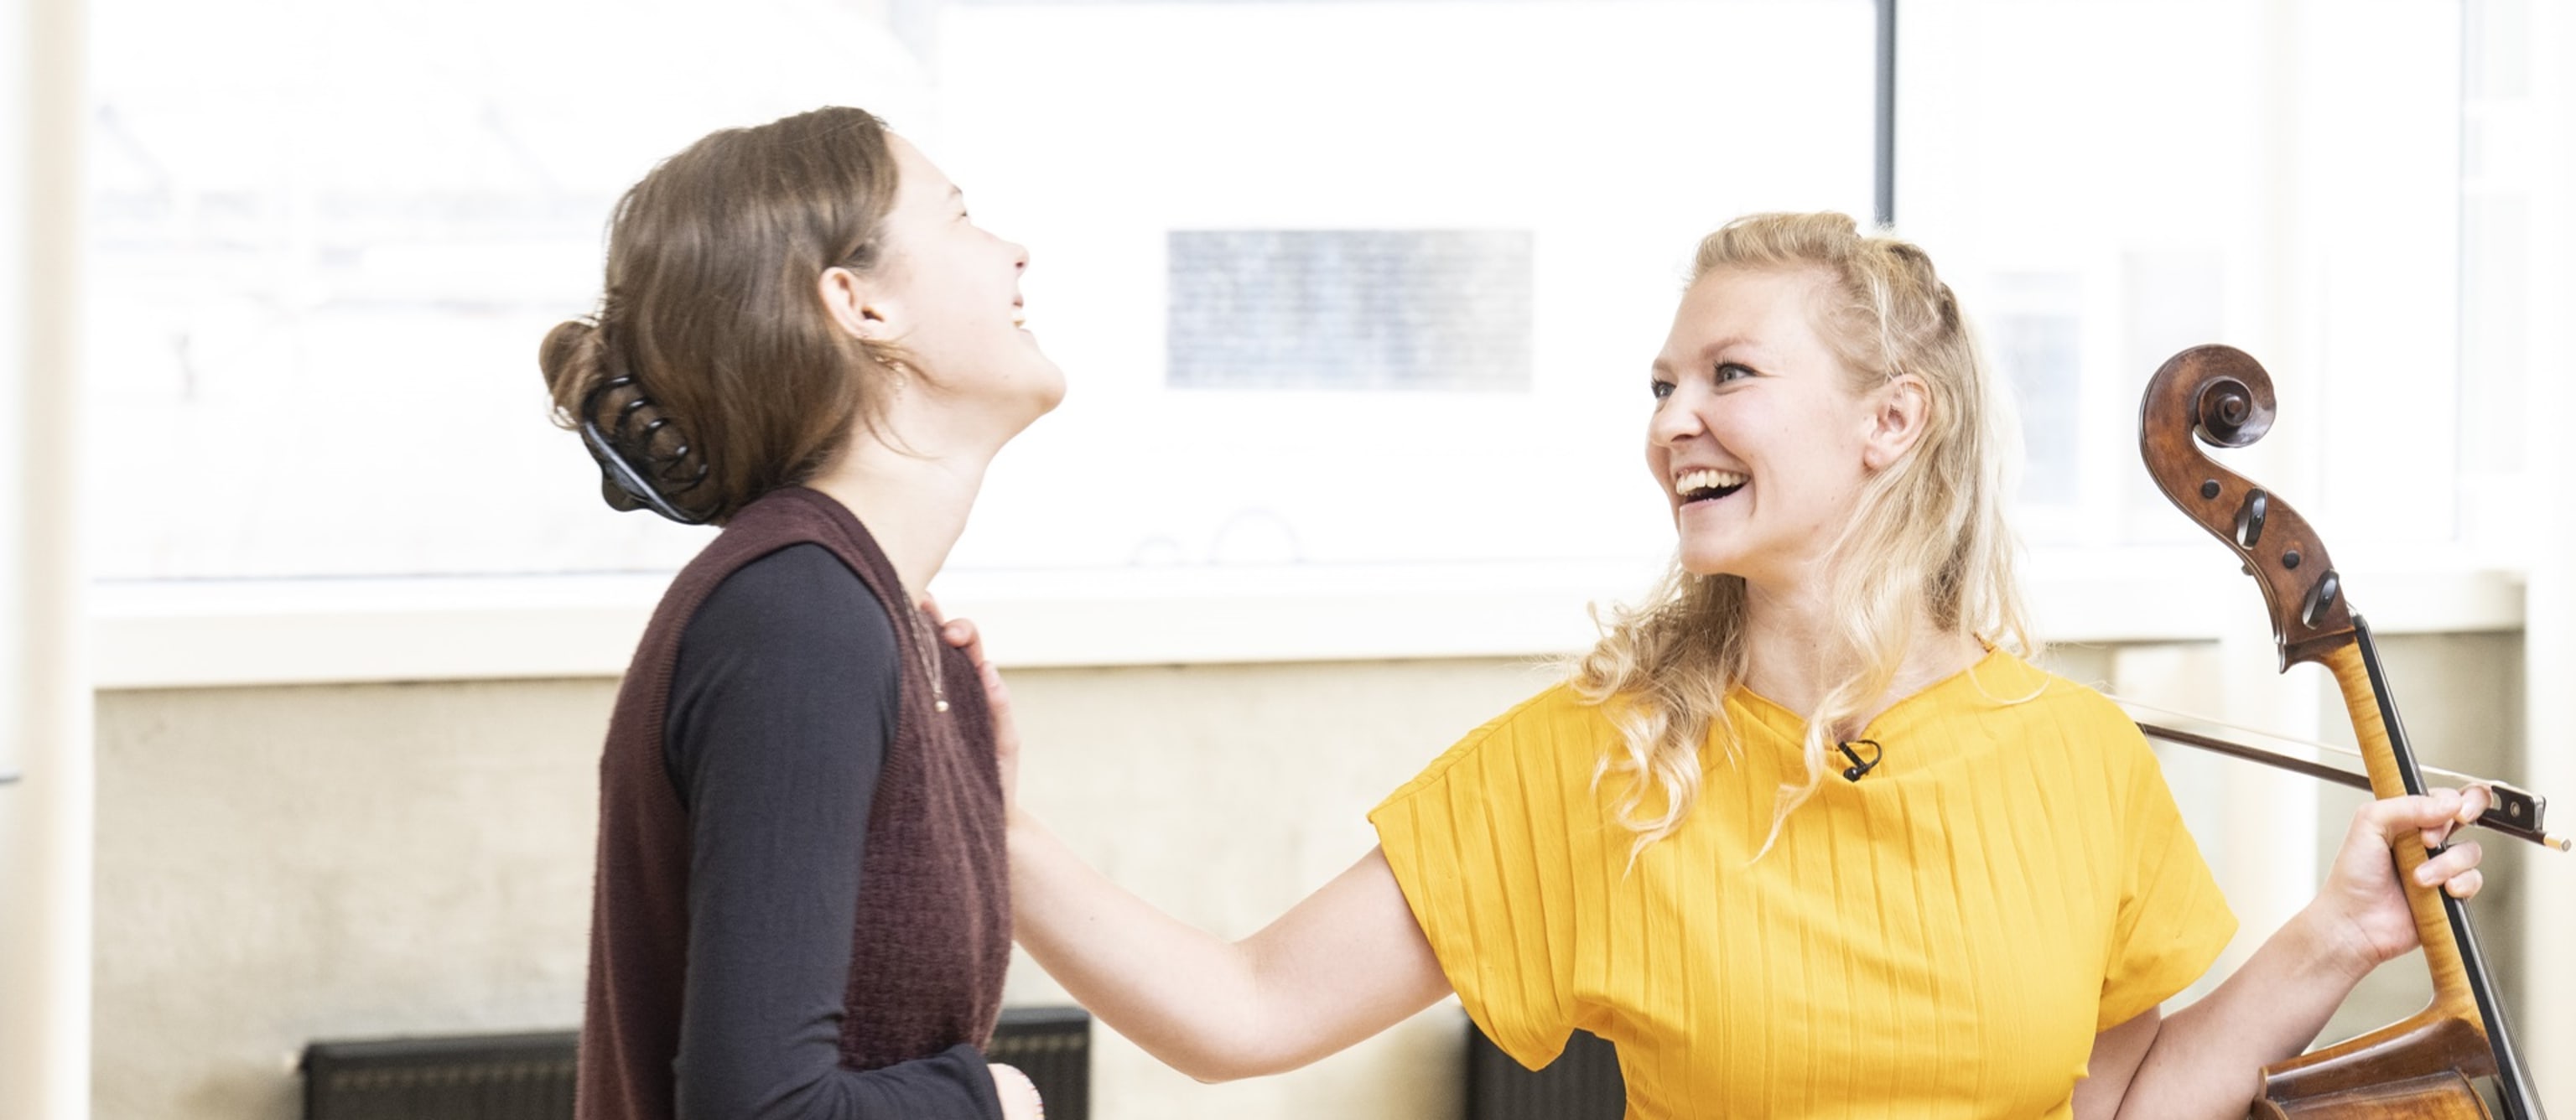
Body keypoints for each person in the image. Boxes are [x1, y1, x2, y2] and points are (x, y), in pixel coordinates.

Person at [950, 211, 2491, 1117]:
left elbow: (2123, 1107)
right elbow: (1235, 1011)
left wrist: (2333, 935)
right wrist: (980, 817)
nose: (1670, 418)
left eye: (1729, 375)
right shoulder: (1595, 763)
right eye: (1661, 383)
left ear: (1891, 423)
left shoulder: (2070, 756)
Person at [538, 106, 1061, 1120]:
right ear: (860, 305)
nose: (1014, 250)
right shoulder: (797, 617)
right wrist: (994, 1103)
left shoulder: (875, 617)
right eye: (961, 219)